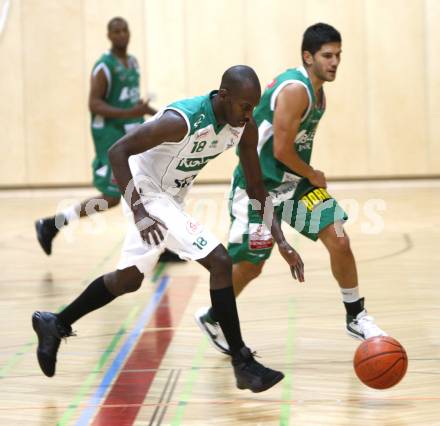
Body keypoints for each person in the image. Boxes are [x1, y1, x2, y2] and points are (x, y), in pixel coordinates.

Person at [31, 65, 305, 393]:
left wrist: (282, 241)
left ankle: (56, 323)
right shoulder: (183, 120)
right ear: (224, 96)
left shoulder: (240, 127)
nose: (250, 115)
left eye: (253, 107)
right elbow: (117, 151)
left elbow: (258, 188)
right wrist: (140, 211)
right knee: (219, 261)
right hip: (145, 190)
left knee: (128, 279)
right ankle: (242, 362)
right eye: (245, 107)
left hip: (170, 197)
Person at [195, 23, 387, 356]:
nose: (335, 62)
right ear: (307, 56)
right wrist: (313, 172)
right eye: (327, 55)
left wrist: (305, 177)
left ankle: (356, 315)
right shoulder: (296, 89)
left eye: (338, 55)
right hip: (258, 187)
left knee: (338, 237)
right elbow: (282, 150)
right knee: (251, 265)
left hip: (292, 186)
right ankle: (213, 317)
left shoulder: (318, 92)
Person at [34, 17, 181, 263]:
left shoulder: (132, 63)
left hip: (129, 131)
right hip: (110, 136)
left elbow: (127, 103)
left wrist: (149, 112)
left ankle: (157, 245)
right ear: (109, 35)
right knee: (113, 196)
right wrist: (129, 113)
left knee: (146, 184)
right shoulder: (103, 67)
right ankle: (52, 224)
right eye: (117, 31)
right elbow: (94, 104)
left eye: (125, 30)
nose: (122, 35)